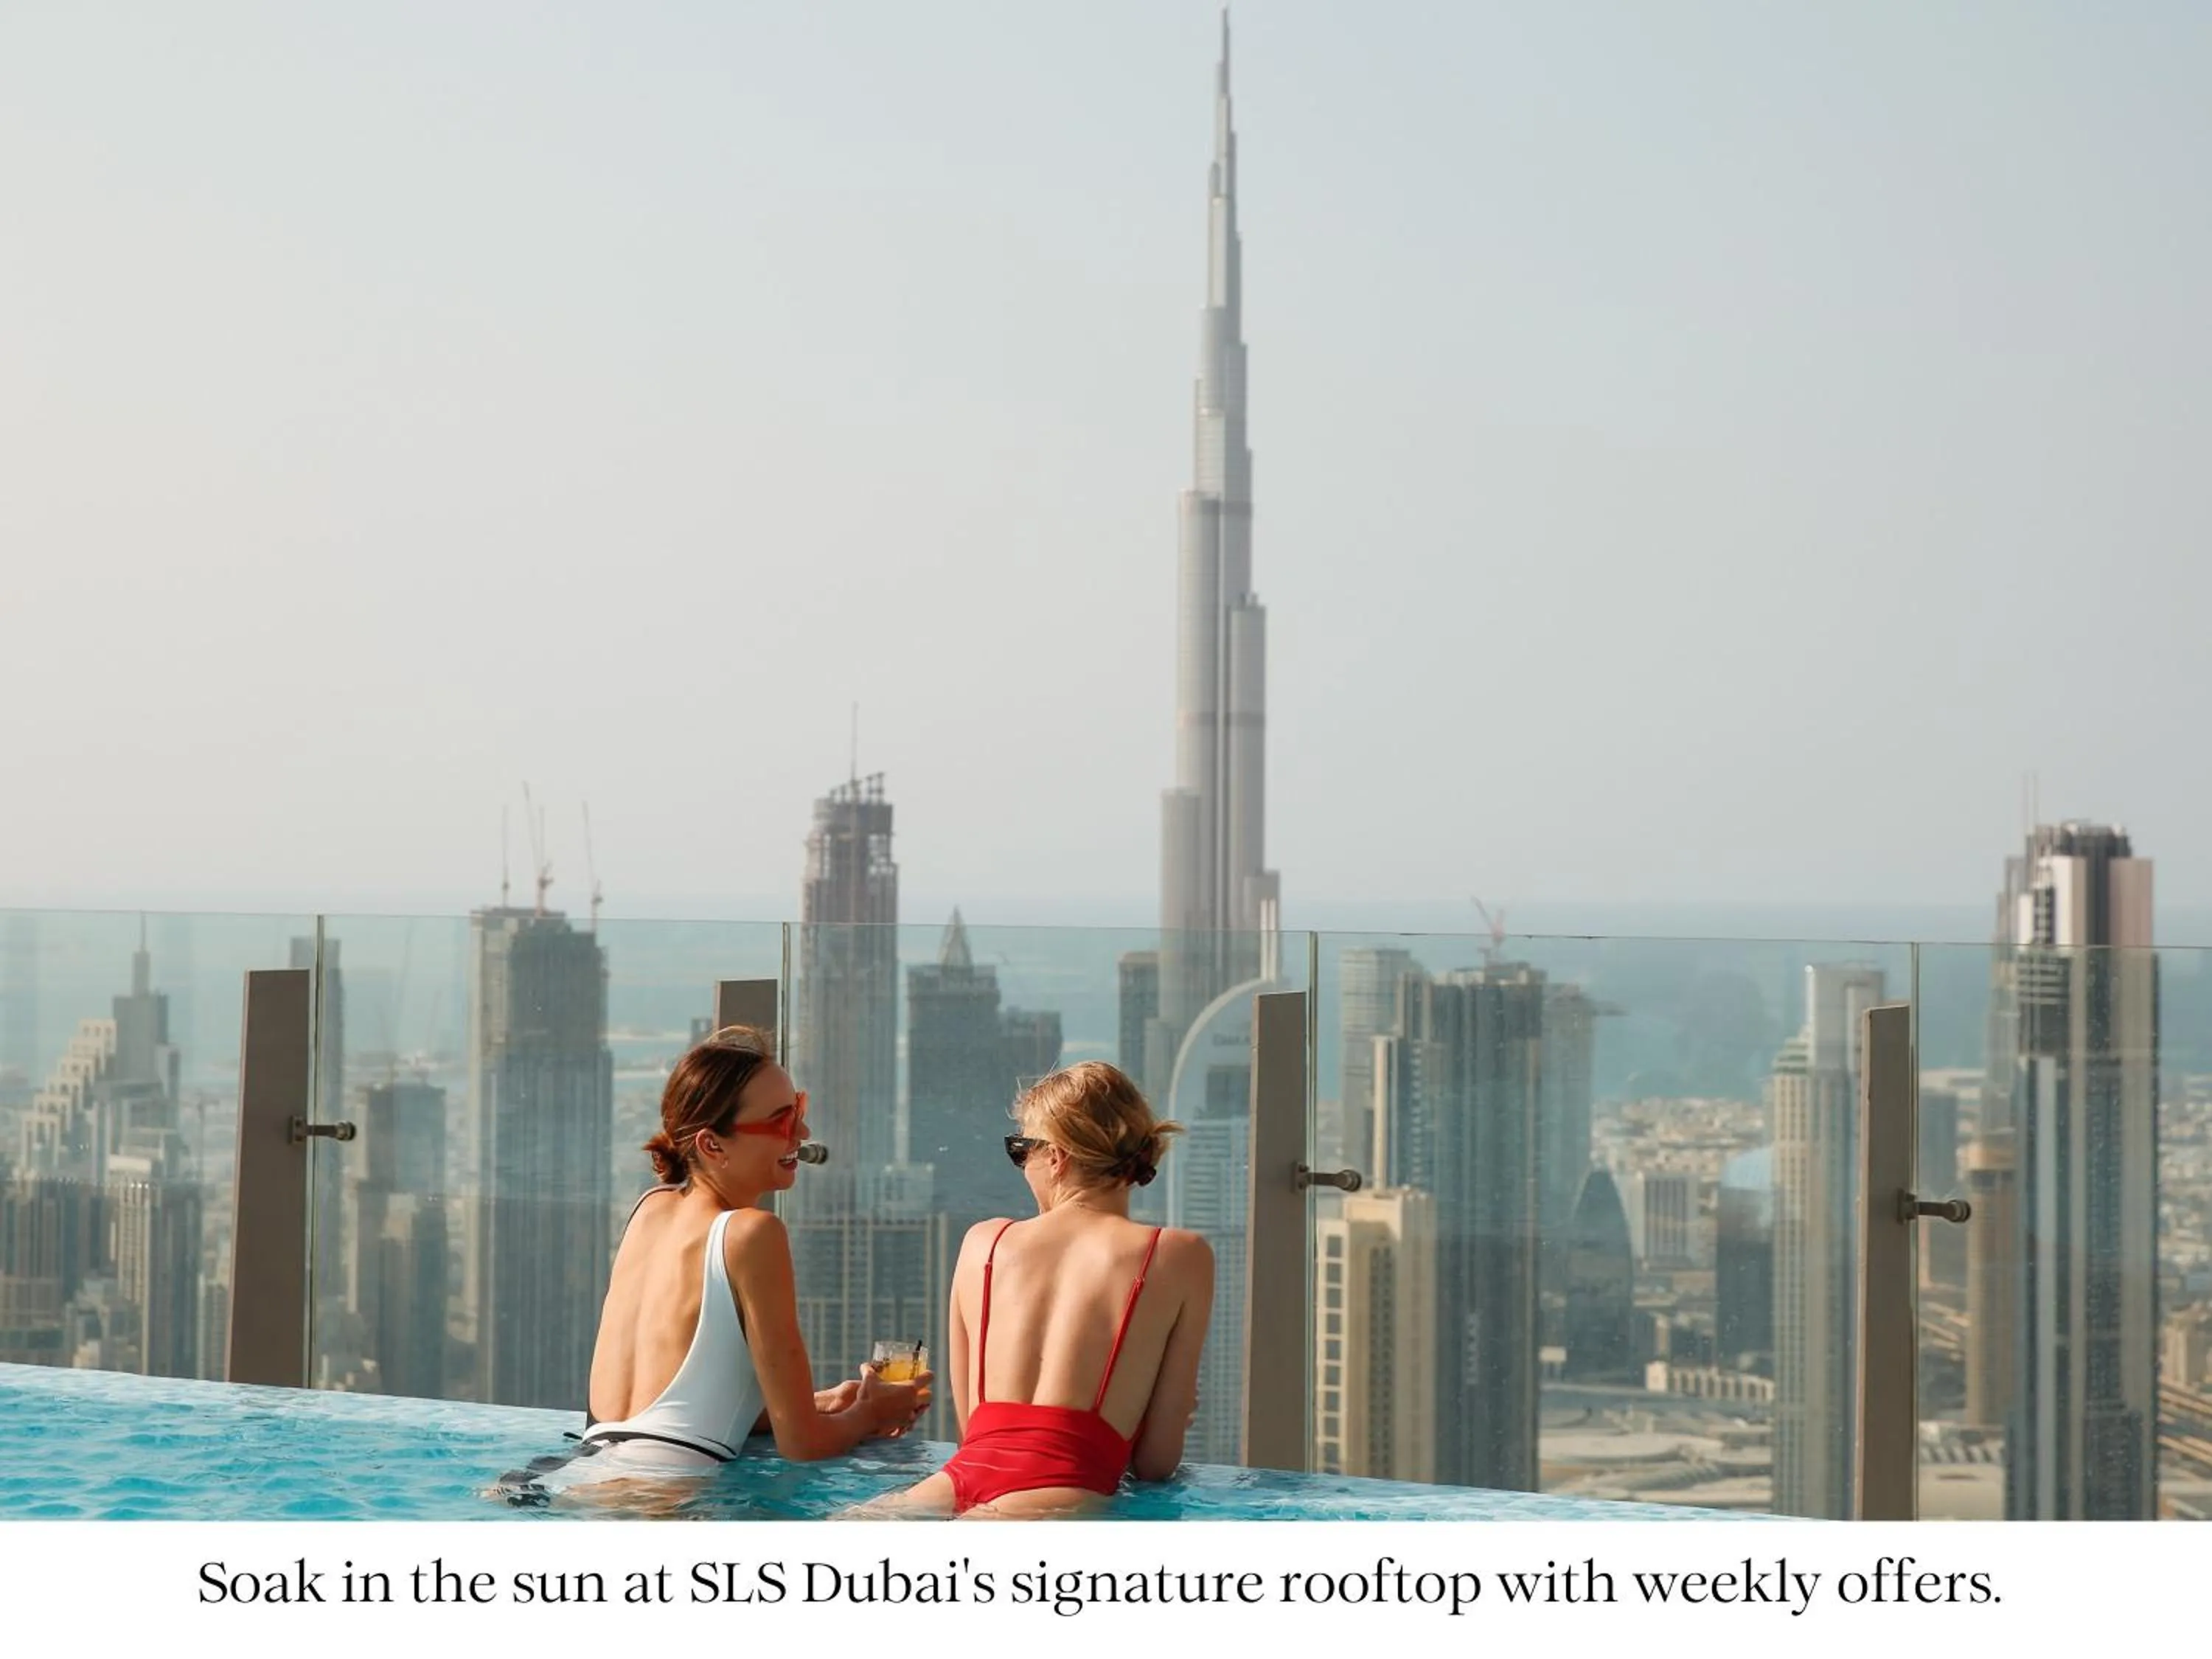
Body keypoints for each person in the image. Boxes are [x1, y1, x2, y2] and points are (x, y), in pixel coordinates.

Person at [512, 1026, 929, 1500]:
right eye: (782, 1122)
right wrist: (872, 1415)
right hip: (655, 1498)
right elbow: (803, 1444)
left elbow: (680, 1408)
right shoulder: (753, 1233)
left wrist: (826, 1402)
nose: (803, 1133)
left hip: (568, 1476)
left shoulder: (649, 1209)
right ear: (712, 1145)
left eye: (799, 1110)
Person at [883, 1062, 1213, 1518]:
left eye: (1021, 1151)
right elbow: (1156, 1464)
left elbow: (969, 1432)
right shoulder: (1177, 1255)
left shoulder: (984, 1242)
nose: (1022, 1167)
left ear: (1057, 1157)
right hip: (1060, 1491)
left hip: (955, 1479)